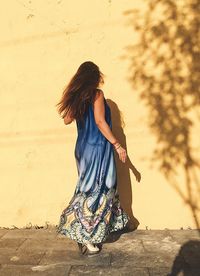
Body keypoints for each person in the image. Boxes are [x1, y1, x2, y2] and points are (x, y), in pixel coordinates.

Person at [55, 61, 130, 256]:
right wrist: (117, 144)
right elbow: (99, 121)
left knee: (88, 188)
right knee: (97, 190)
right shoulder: (97, 94)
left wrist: (76, 102)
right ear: (94, 77)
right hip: (97, 148)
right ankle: (85, 234)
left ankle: (89, 229)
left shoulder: (79, 96)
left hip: (82, 149)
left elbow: (66, 120)